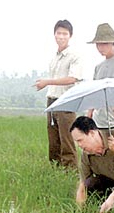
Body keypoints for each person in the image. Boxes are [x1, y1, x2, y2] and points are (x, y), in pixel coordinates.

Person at [34, 19, 83, 169]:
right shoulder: (55, 57)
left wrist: (47, 82)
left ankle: (70, 172)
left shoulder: (74, 56)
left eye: (65, 33)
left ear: (70, 36)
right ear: (54, 35)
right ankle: (55, 170)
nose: (61, 36)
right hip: (52, 101)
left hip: (66, 101)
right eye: (58, 33)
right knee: (53, 140)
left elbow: (72, 79)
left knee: (67, 140)